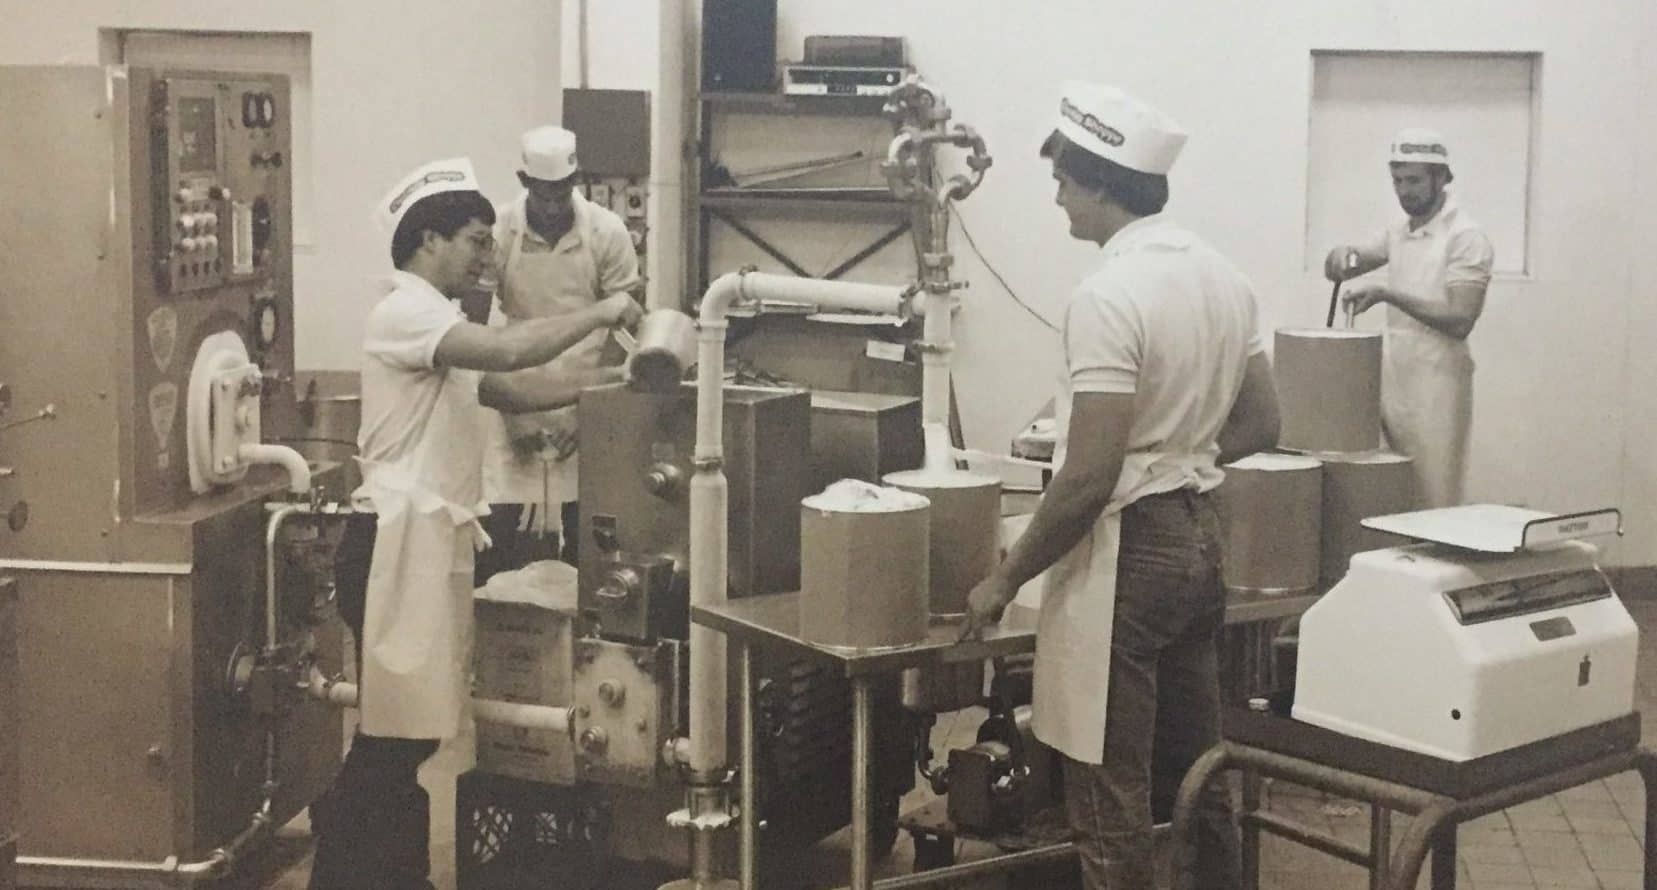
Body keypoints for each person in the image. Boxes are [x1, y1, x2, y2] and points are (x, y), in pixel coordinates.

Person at [963, 83, 1281, 890]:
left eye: (1065, 179)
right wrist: (1178, 455)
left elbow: (1089, 474)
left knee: (1110, 786)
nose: (1058, 195)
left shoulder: (1109, 294)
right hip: (1200, 535)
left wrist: (1004, 578)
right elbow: (1261, 425)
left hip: (1131, 553)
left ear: (1103, 183)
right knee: (1196, 767)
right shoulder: (1222, 278)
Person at [309, 157, 641, 889]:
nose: (489, 257)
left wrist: (625, 377)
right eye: (474, 240)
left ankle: (390, 875)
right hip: (392, 546)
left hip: (425, 544)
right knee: (396, 735)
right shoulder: (405, 312)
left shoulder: (440, 322)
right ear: (428, 241)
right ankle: (344, 872)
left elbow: (518, 388)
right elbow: (505, 348)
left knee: (417, 728)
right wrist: (603, 309)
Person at [476, 124, 642, 583]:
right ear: (523, 181)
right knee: (497, 542)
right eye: (542, 194)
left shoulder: (607, 233)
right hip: (515, 395)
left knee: (588, 544)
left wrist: (583, 412)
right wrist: (514, 411)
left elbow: (622, 325)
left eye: (561, 192)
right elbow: (473, 330)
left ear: (575, 181)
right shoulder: (499, 234)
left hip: (587, 397)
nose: (552, 205)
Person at [1325, 127, 1495, 508]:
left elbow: (1460, 318)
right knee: (1393, 493)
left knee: (1434, 495)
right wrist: (1340, 258)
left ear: (1442, 178)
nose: (1405, 191)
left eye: (1414, 180)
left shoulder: (1466, 237)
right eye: (1397, 181)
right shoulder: (1399, 231)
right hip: (1392, 379)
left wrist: (1386, 292)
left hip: (1437, 385)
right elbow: (1350, 261)